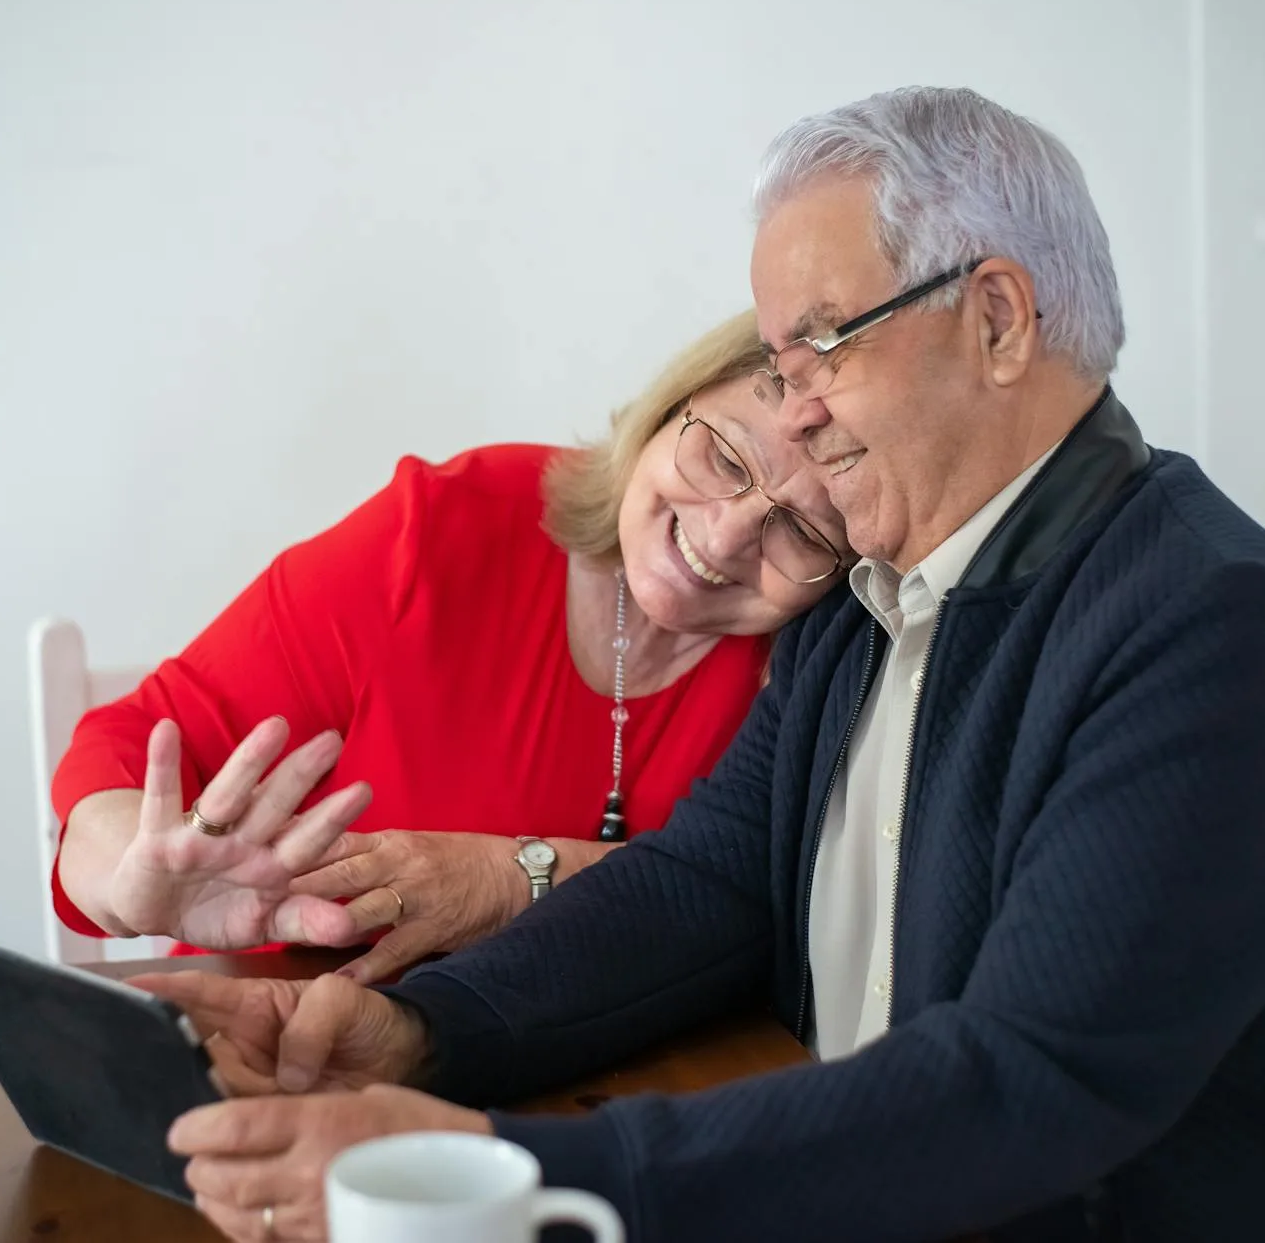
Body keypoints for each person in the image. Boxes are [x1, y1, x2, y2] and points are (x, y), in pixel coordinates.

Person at [130, 87, 1265, 1243]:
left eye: (821, 341)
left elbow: (1022, 1081)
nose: (799, 401)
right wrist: (419, 1028)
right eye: (776, 359)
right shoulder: (868, 598)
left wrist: (509, 1178)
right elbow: (706, 881)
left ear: (997, 320)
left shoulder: (1214, 630)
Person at [51, 311, 851, 983]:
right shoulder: (445, 533)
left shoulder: (823, 661)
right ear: (668, 407)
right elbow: (128, 745)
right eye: (723, 457)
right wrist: (132, 887)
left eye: (803, 529)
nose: (726, 530)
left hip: (589, 1102)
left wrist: (510, 880)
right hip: (281, 1041)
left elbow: (777, 914)